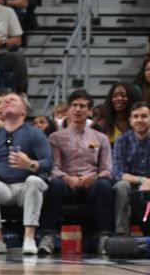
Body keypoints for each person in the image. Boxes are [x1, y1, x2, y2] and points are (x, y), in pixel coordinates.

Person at [0, 93, 52, 255]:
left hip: (26, 187)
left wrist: (30, 164)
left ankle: (29, 238)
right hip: (3, 187)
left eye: (13, 100)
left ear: (23, 111)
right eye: (4, 101)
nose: (7, 101)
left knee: (34, 180)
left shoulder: (35, 133)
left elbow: (48, 164)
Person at [43, 90, 115, 255]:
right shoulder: (55, 137)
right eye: (74, 105)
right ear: (68, 110)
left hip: (92, 183)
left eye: (82, 106)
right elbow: (54, 167)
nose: (77, 109)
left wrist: (94, 177)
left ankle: (104, 238)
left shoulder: (101, 138)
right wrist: (67, 177)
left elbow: (107, 168)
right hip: (67, 183)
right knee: (54, 185)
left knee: (105, 186)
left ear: (89, 111)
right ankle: (48, 237)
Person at [112, 102, 150, 236]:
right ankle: (121, 233)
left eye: (144, 116)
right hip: (132, 184)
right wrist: (143, 180)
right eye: (136, 116)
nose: (139, 120)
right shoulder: (122, 140)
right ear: (130, 120)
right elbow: (117, 173)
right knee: (121, 186)